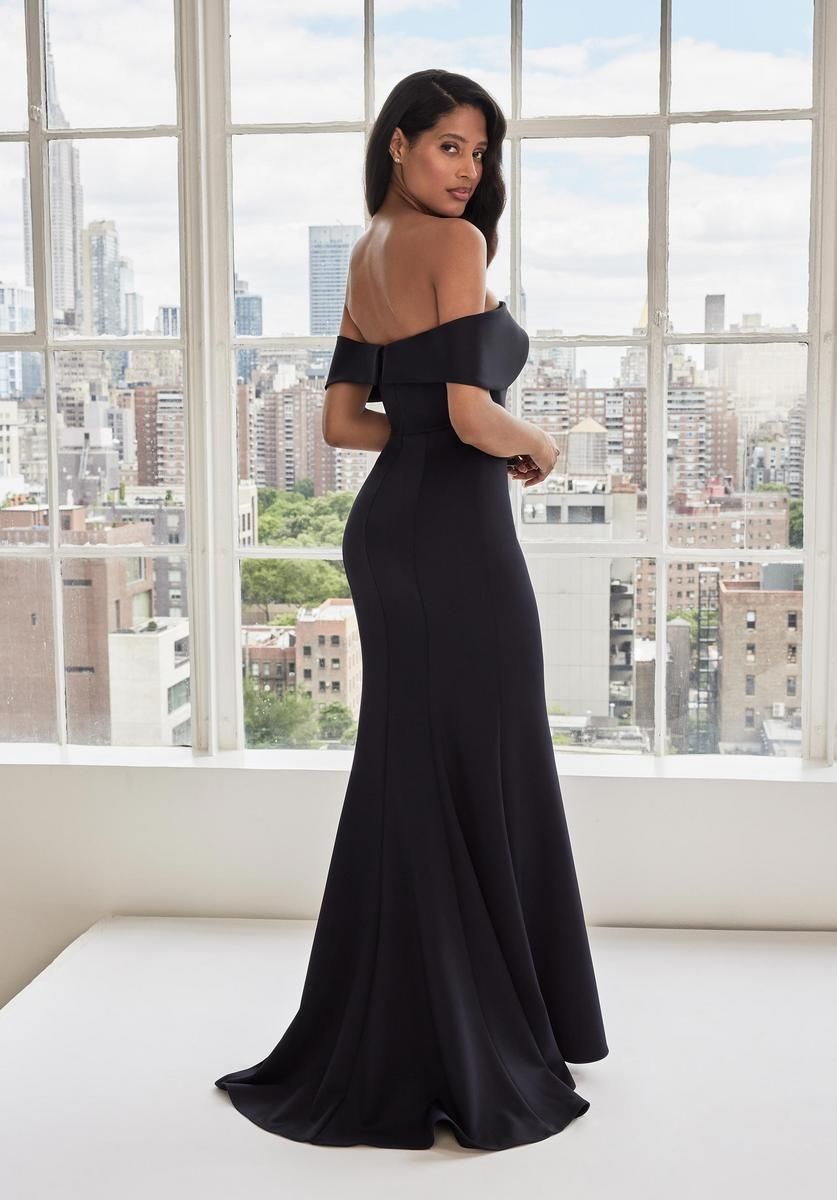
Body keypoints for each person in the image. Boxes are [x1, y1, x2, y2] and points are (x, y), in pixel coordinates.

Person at [215, 68, 608, 1151]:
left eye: (479, 154)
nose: (466, 171)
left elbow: (345, 424)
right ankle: (476, 1033)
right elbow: (478, 413)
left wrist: (442, 438)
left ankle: (405, 1025)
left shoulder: (365, 255)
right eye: (446, 147)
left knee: (415, 763)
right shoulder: (457, 248)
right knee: (485, 752)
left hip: (389, 528)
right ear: (396, 144)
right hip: (456, 538)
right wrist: (537, 443)